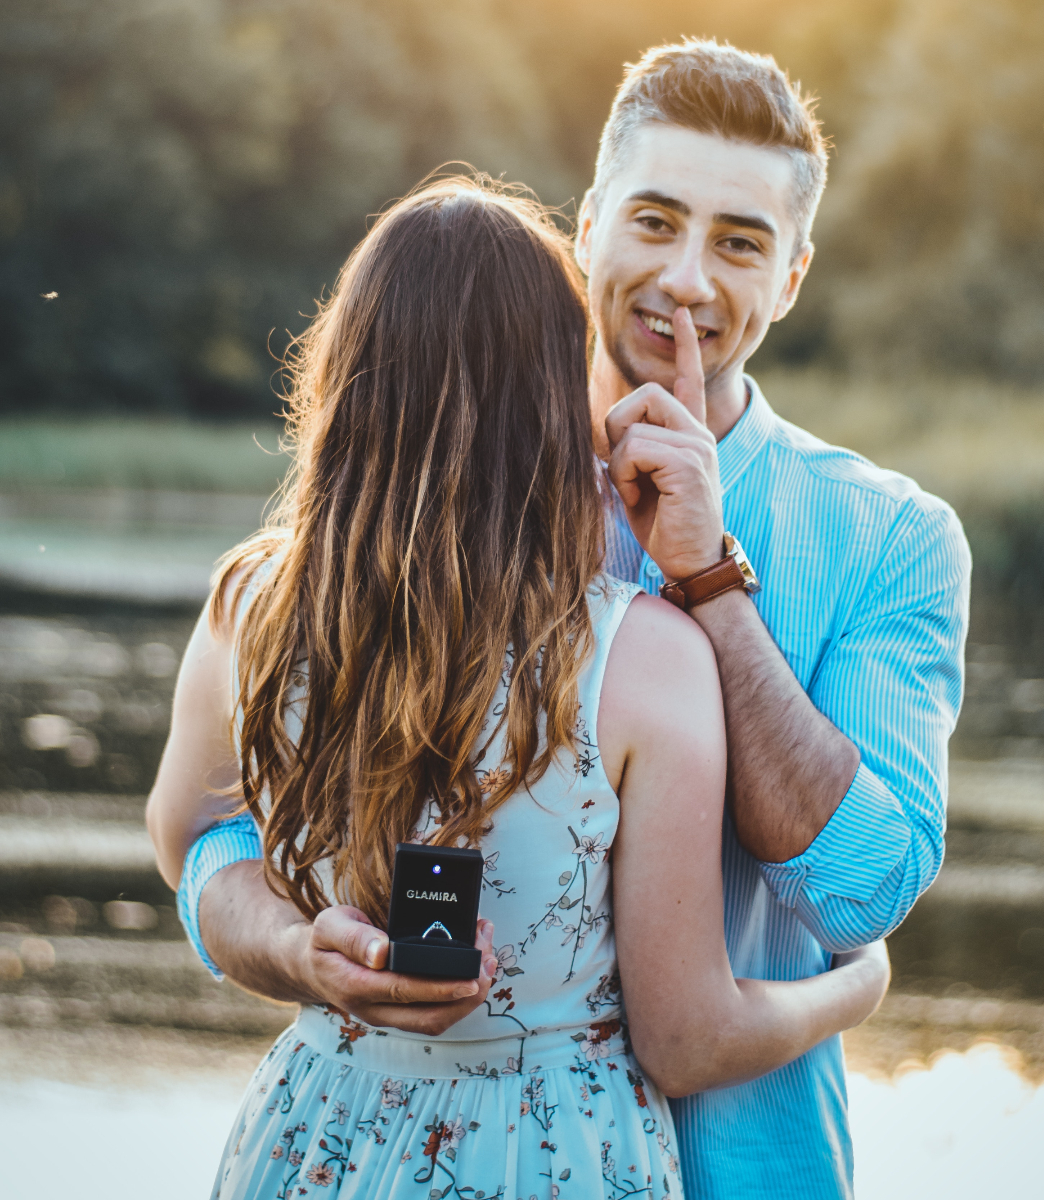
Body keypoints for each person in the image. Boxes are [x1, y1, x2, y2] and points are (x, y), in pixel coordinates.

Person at [161, 40, 970, 1199]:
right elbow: (217, 829)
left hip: (756, 1169)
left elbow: (861, 895)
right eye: (654, 219)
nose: (687, 276)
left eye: (739, 242)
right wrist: (295, 947)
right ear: (587, 225)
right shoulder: (420, 497)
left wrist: (713, 582)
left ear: (792, 276)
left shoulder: (892, 537)